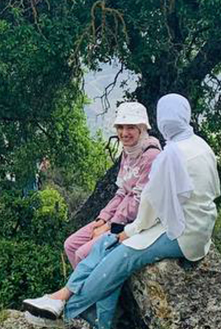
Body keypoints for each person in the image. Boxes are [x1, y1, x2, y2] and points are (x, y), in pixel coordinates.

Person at [23, 94, 219, 329]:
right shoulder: (200, 145)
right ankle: (61, 298)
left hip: (181, 232)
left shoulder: (170, 155)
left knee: (118, 257)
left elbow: (149, 204)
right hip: (198, 226)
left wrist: (129, 231)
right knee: (108, 244)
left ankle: (69, 310)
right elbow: (213, 190)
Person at [62, 102, 161, 268]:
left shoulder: (150, 156)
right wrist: (103, 217)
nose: (124, 133)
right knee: (71, 245)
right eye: (120, 127)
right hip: (118, 218)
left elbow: (138, 200)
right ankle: (83, 288)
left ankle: (89, 291)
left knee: (82, 254)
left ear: (141, 128)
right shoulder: (128, 152)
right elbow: (121, 191)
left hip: (137, 221)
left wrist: (109, 226)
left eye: (130, 127)